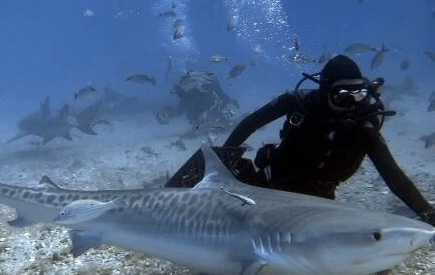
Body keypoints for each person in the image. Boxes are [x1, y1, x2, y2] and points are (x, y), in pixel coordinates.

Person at [166, 55, 435, 226]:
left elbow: (392, 174)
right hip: (271, 182)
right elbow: (250, 123)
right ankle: (177, 202)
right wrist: (221, 160)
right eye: (341, 94)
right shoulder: (300, 103)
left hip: (319, 196)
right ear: (324, 89)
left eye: (356, 93)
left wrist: (425, 211)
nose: (350, 102)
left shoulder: (363, 124)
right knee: (226, 215)